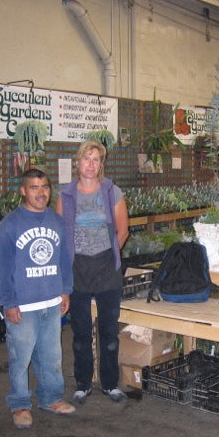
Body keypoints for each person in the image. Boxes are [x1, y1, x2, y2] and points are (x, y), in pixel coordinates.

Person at [0, 168, 75, 429]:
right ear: (22, 191)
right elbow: (3, 268)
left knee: (51, 355)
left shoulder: (56, 221)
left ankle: (50, 398)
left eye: (45, 187)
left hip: (51, 301)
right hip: (24, 304)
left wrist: (65, 290)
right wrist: (8, 302)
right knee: (20, 357)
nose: (41, 193)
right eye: (34, 187)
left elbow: (64, 258)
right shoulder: (11, 224)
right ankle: (19, 405)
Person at [56, 140, 130, 404]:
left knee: (109, 331)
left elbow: (123, 231)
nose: (91, 164)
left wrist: (110, 256)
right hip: (78, 269)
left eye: (96, 159)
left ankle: (110, 384)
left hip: (107, 268)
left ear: (101, 164)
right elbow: (62, 235)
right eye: (87, 158)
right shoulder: (66, 195)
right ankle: (83, 383)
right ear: (78, 162)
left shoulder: (112, 192)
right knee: (81, 331)